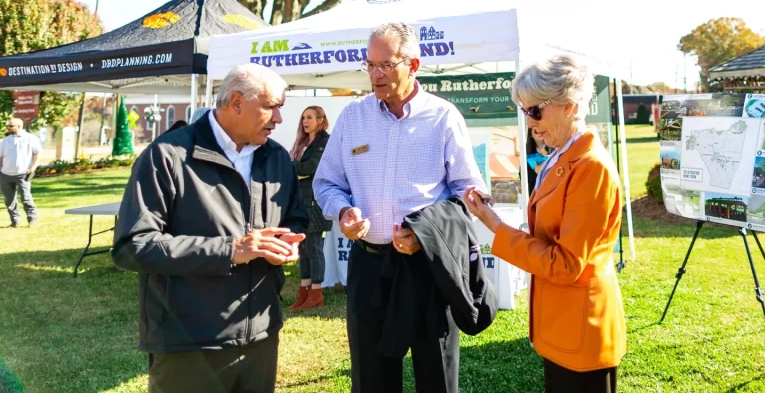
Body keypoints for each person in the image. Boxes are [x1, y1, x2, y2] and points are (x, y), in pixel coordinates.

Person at [112, 63, 309, 393]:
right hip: (189, 343)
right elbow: (132, 245)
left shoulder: (276, 158)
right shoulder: (168, 156)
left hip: (261, 337)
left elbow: (295, 218)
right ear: (235, 102)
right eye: (271, 106)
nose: (279, 119)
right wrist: (231, 250)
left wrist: (287, 243)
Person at [314, 21, 485, 393]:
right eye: (370, 65)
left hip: (427, 268)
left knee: (435, 373)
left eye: (386, 65)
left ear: (414, 65)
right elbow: (326, 182)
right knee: (371, 377)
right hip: (369, 264)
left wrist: (425, 235)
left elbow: (469, 192)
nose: (376, 74)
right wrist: (343, 211)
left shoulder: (442, 116)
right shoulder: (352, 117)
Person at [464, 54, 626, 393]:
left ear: (569, 105)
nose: (530, 122)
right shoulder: (560, 155)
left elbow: (566, 264)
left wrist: (496, 226)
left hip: (582, 328)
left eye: (534, 110)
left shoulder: (589, 166)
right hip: (563, 324)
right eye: (524, 111)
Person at [287, 106, 331, 310]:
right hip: (302, 202)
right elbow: (301, 171)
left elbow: (308, 168)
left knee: (314, 248)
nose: (305, 121)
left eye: (310, 117)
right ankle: (303, 290)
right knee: (303, 248)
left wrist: (287, 165)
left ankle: (316, 292)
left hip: (315, 203)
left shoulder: (324, 142)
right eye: (303, 117)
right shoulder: (303, 143)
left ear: (321, 120)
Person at [1, 118, 41, 228]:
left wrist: (33, 168)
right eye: (8, 126)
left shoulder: (30, 138)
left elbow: (37, 155)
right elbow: (1, 157)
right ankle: (15, 221)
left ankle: (32, 220)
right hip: (5, 174)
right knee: (9, 200)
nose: (8, 128)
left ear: (19, 126)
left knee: (26, 198)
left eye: (10, 126)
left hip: (23, 174)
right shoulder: (5, 140)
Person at [525, 128, 549, 194]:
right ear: (531, 135)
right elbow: (524, 176)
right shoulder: (526, 152)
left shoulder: (553, 147)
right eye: (535, 131)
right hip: (536, 192)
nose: (539, 132)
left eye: (541, 129)